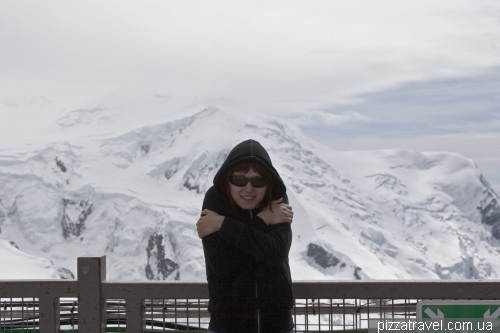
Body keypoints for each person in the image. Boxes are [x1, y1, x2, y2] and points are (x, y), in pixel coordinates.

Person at [196, 139, 295, 333]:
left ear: (269, 183)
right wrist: (262, 220)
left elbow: (276, 252)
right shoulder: (215, 200)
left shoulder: (277, 198)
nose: (249, 189)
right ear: (227, 180)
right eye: (240, 180)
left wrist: (223, 224)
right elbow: (222, 264)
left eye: (259, 181)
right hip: (227, 327)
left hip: (278, 326)